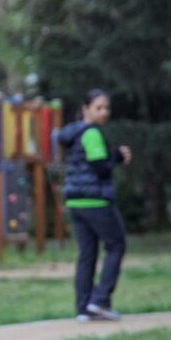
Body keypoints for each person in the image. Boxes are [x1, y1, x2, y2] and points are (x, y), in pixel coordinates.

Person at [56, 90, 131, 322]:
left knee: (87, 253)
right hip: (95, 200)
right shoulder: (91, 133)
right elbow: (99, 167)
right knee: (116, 245)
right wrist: (117, 156)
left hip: (75, 201)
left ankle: (83, 307)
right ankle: (99, 301)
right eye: (98, 107)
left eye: (106, 108)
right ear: (85, 109)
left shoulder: (74, 133)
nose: (104, 112)